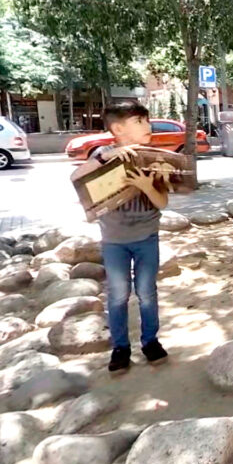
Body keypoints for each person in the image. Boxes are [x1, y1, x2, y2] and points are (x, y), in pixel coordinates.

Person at [89, 102, 171, 372]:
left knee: (147, 293)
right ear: (117, 129)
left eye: (147, 121)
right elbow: (81, 183)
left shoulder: (154, 157)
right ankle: (120, 347)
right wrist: (107, 161)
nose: (148, 126)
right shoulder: (101, 155)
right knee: (118, 295)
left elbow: (162, 202)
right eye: (140, 121)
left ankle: (150, 342)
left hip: (147, 237)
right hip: (114, 241)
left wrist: (147, 186)